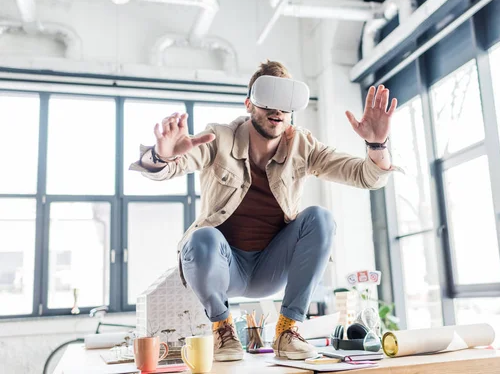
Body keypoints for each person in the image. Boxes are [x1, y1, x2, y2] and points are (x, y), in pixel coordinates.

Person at [130, 60, 400, 361]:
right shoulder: (218, 137)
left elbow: (365, 176)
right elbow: (172, 165)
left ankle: (287, 331)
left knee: (320, 219)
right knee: (200, 237)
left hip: (273, 266)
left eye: (285, 104)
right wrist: (161, 155)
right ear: (249, 104)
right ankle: (223, 330)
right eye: (268, 100)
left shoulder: (303, 145)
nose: (277, 110)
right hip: (223, 267)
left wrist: (377, 144)